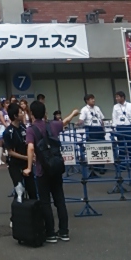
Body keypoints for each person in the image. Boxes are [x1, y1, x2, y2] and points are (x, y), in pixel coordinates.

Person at [24, 100, 79, 243]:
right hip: (56, 167)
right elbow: (65, 121)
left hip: (42, 170)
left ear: (31, 114)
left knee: (45, 202)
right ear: (45, 113)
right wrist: (73, 113)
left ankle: (50, 233)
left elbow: (30, 148)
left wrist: (29, 167)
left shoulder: (31, 130)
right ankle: (64, 232)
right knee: (60, 200)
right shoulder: (53, 125)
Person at [3, 103, 37, 207]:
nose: (23, 114)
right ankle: (18, 214)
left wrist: (32, 156)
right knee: (19, 189)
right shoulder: (8, 132)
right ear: (15, 116)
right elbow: (10, 152)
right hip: (14, 164)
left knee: (32, 190)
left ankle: (35, 212)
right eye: (20, 112)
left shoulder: (23, 127)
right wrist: (27, 157)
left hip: (26, 163)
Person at [112, 91, 131, 168]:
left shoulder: (130, 105)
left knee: (130, 146)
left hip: (129, 127)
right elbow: (114, 117)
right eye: (116, 97)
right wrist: (114, 127)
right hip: (120, 127)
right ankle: (122, 165)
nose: (116, 98)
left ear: (122, 97)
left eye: (118, 97)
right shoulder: (115, 107)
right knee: (121, 146)